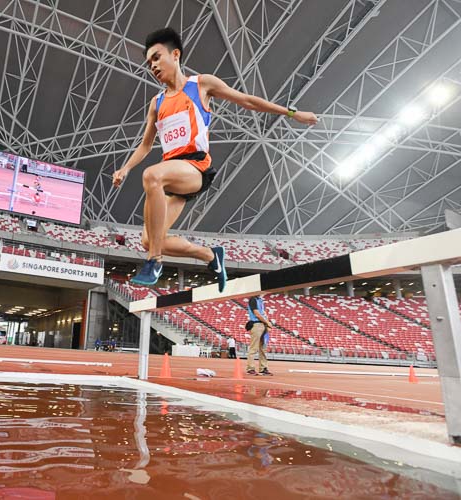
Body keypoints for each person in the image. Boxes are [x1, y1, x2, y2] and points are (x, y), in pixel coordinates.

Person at [112, 28, 318, 289]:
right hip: (171, 175)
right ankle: (211, 256)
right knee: (149, 239)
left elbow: (246, 100)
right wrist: (125, 168)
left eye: (156, 57)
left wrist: (292, 113)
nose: (152, 65)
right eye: (149, 62)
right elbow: (145, 145)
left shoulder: (201, 84)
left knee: (152, 175)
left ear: (175, 54)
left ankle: (154, 262)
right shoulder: (157, 103)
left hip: (195, 167)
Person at [246, 294, 273, 376]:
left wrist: (267, 324)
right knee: (254, 348)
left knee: (263, 348)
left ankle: (263, 368)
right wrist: (267, 322)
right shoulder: (253, 299)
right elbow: (257, 313)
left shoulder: (260, 300)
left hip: (263, 325)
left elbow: (263, 313)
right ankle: (250, 368)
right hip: (257, 324)